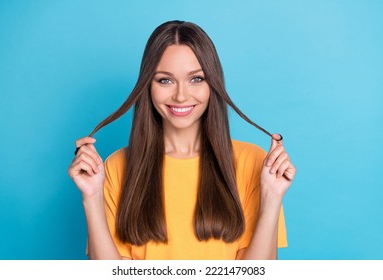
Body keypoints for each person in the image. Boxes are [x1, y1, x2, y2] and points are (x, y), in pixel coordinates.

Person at [68, 20, 296, 260]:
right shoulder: (116, 167)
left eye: (196, 79)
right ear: (148, 85)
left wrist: (272, 198)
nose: (180, 95)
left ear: (213, 84)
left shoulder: (253, 161)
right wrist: (91, 197)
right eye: (165, 80)